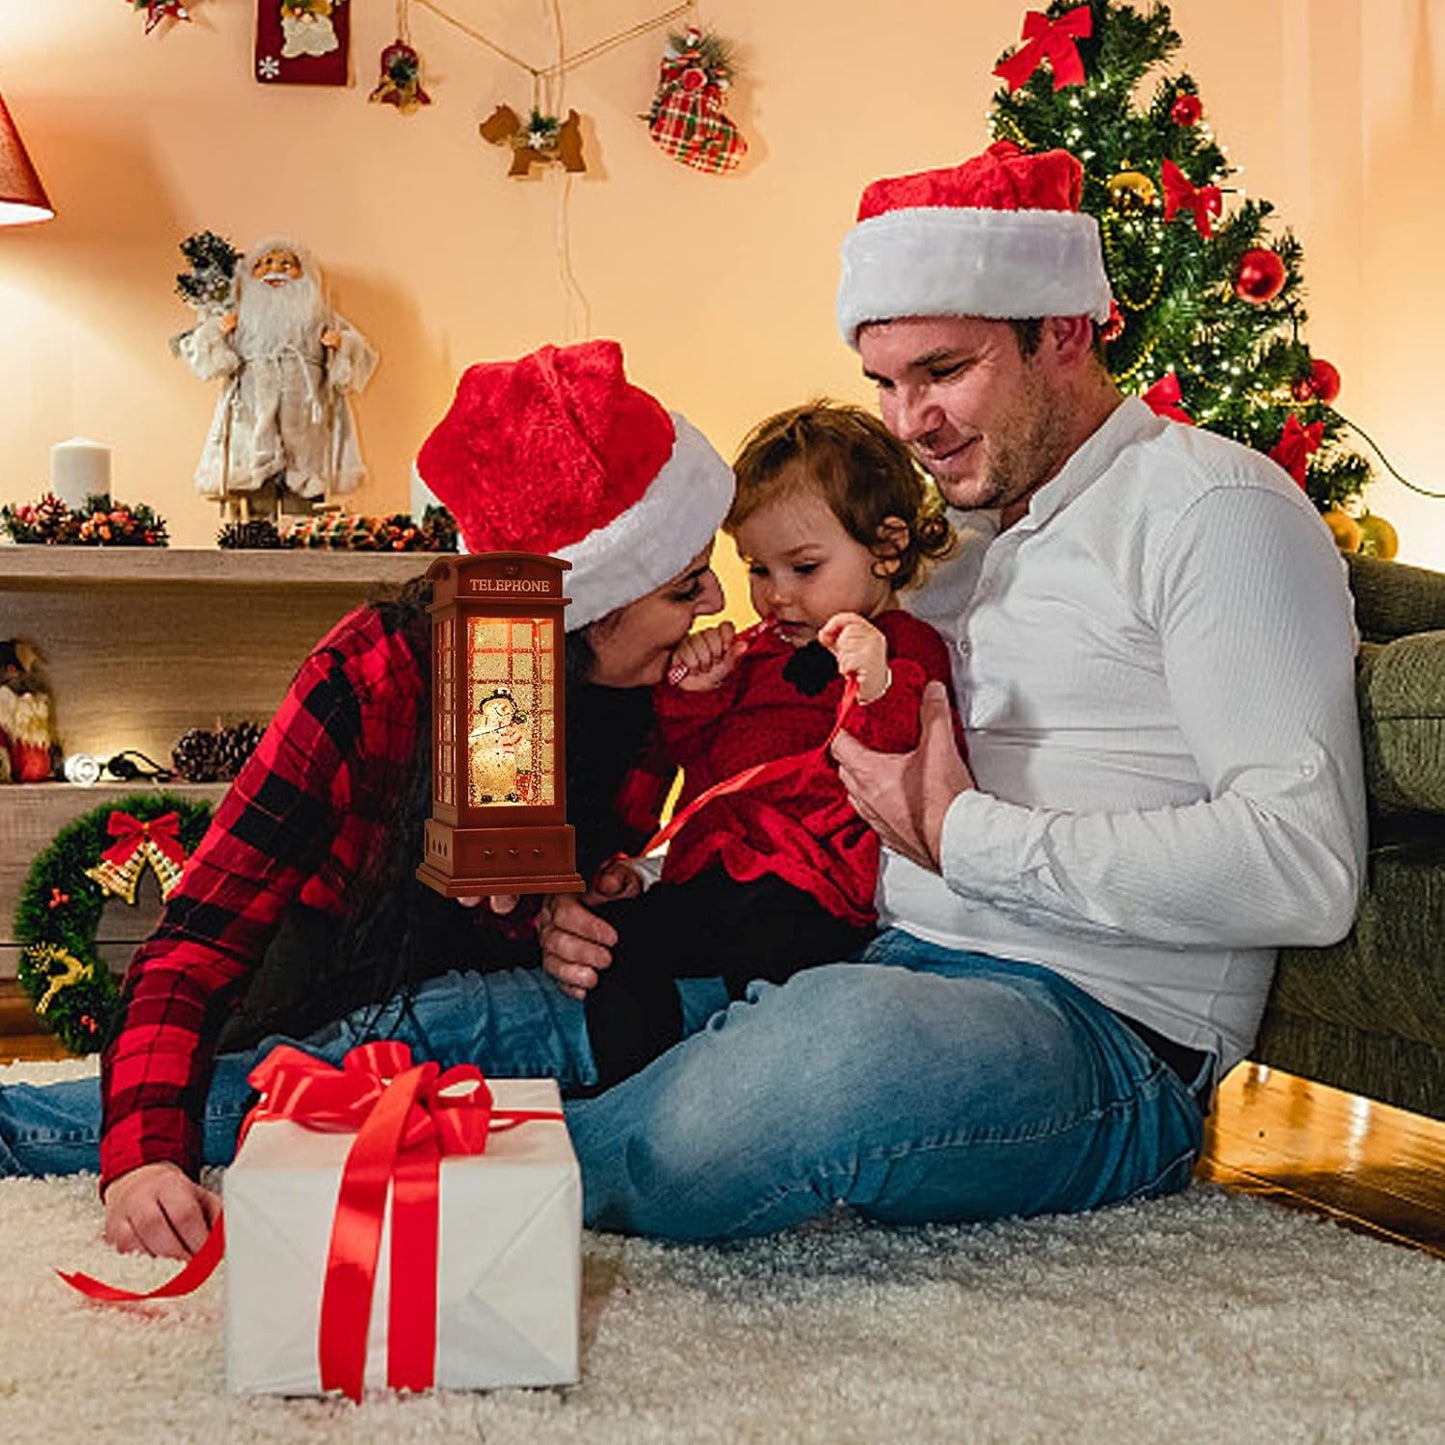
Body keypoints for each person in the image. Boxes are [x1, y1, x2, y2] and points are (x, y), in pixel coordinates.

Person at [3, 144, 1366, 1256]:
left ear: (1063, 330)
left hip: (1095, 1028)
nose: (910, 422)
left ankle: (391, 1185)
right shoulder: (949, 545)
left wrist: (967, 837)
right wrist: (613, 886)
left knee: (760, 1088)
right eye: (886, 382)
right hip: (851, 946)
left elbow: (1302, 870)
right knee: (461, 1027)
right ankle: (61, 1131)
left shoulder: (1211, 509)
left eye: (944, 373)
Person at [0, 338, 735, 1257]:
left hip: (493, 1005)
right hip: (325, 977)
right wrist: (144, 1158)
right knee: (248, 1087)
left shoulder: (652, 692)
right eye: (684, 584)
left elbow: (624, 876)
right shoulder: (372, 675)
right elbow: (197, 939)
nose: (716, 600)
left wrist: (563, 907)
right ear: (587, 608)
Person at [582, 401, 963, 1089]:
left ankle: (749, 1093)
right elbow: (696, 761)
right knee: (616, 942)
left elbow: (902, 756)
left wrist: (876, 682)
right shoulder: (753, 653)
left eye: (804, 568)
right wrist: (695, 692)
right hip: (714, 870)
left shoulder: (904, 646)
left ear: (886, 548)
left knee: (776, 965)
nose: (775, 596)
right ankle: (636, 1091)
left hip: (809, 882)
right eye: (758, 569)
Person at [175, 236, 377, 518]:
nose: (276, 270)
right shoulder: (239, 314)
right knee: (253, 496)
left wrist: (342, 344)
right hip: (251, 411)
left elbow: (362, 356)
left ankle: (303, 531)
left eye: (287, 264)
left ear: (304, 272)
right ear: (250, 273)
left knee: (305, 490)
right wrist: (217, 332)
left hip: (304, 415)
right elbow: (205, 358)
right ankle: (253, 530)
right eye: (266, 263)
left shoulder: (320, 315)